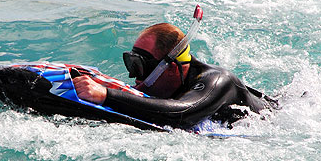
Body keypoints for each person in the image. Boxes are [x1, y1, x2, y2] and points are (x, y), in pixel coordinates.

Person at [72, 22, 275, 129]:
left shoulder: (218, 81)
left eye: (140, 66)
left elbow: (182, 114)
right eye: (131, 63)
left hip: (278, 120)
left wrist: (107, 95)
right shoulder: (166, 79)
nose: (135, 76)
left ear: (170, 67)